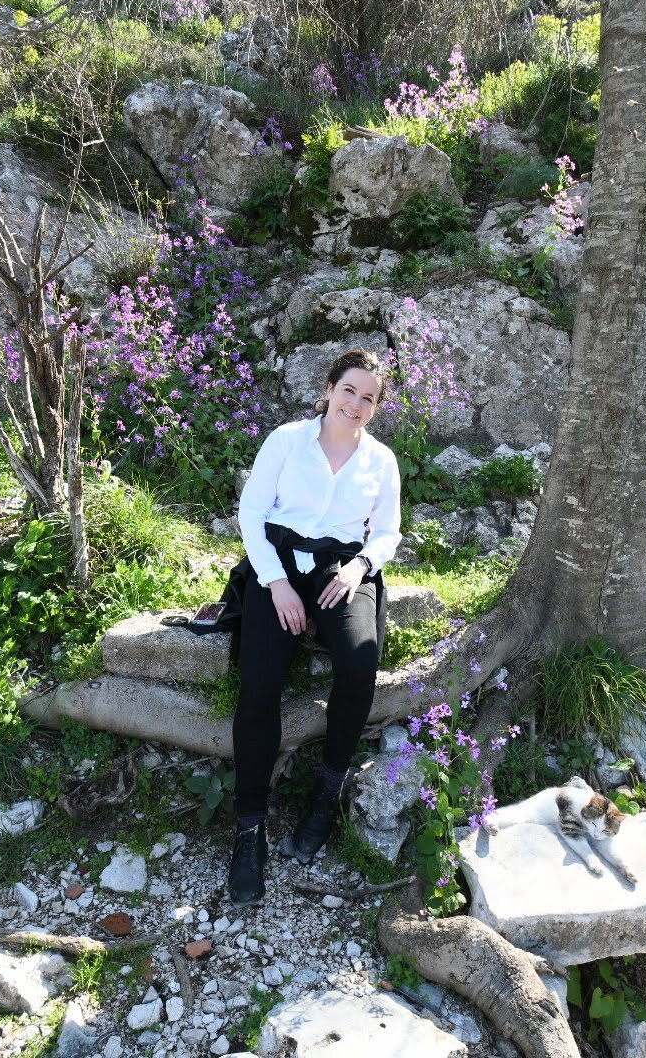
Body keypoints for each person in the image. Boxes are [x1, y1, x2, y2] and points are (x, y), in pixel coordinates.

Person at [226, 349, 402, 906]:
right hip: (277, 563)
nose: (356, 404)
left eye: (368, 397)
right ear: (329, 388)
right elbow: (251, 513)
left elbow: (389, 532)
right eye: (349, 390)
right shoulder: (286, 440)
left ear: (376, 407)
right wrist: (274, 582)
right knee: (258, 685)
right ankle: (249, 826)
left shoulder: (381, 461)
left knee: (358, 661)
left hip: (341, 569)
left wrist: (359, 568)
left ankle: (329, 791)